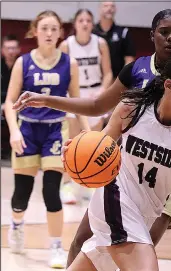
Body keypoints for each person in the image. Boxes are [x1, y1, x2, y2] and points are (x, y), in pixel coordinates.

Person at [13, 9, 171, 271]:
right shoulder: (134, 95)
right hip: (119, 192)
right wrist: (74, 138)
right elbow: (97, 110)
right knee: (135, 264)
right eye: (165, 32)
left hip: (168, 186)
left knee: (117, 266)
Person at [55, 55, 171, 271]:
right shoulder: (132, 109)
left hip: (145, 216)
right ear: (169, 85)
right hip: (115, 200)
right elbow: (98, 148)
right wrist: (77, 149)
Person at [4, 10, 90, 268]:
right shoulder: (23, 62)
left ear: (60, 33)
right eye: (45, 28)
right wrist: (14, 131)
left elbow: (77, 103)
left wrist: (86, 132)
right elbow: (9, 101)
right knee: (21, 195)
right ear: (35, 31)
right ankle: (16, 226)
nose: (50, 33)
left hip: (55, 131)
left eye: (54, 29)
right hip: (28, 130)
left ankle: (55, 246)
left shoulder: (69, 63)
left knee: (51, 191)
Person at [59, 9, 113, 204]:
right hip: (75, 94)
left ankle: (92, 185)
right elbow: (63, 73)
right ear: (75, 24)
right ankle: (67, 185)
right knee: (73, 142)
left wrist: (102, 92)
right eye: (81, 20)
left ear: (92, 23)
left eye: (88, 20)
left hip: (95, 93)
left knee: (94, 142)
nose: (84, 23)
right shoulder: (66, 45)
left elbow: (107, 73)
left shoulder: (100, 43)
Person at [93, 1, 136, 80]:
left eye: (112, 6)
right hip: (95, 81)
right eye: (106, 6)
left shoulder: (123, 32)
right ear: (99, 9)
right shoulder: (92, 32)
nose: (109, 9)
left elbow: (129, 60)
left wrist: (120, 81)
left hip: (116, 81)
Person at [1, 35, 21, 158]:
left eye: (14, 48)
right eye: (8, 48)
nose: (11, 52)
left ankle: (18, 150)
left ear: (19, 49)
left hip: (18, 104)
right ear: (2, 50)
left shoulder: (23, 65)